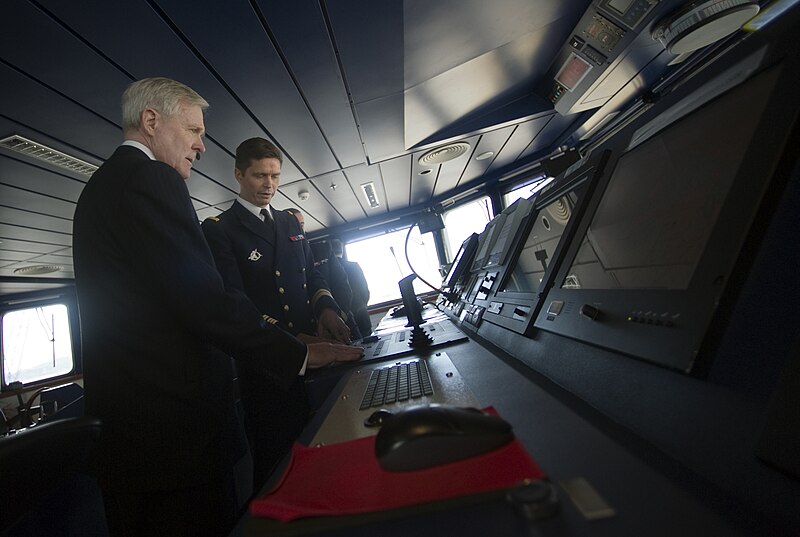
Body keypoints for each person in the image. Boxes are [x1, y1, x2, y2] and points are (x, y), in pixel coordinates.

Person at [72, 77, 362, 537]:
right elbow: (204, 300)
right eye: (193, 131)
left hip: (139, 439)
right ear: (151, 121)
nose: (201, 146)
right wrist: (299, 353)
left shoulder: (102, 187)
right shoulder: (150, 179)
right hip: (175, 441)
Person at [201, 138, 354, 489]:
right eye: (259, 176)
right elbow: (235, 301)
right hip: (268, 367)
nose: (269, 184)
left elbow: (311, 274)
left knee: (326, 448)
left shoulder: (289, 222)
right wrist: (291, 340)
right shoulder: (220, 229)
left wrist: (327, 307)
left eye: (275, 175)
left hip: (317, 354)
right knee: (279, 467)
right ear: (239, 174)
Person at [332, 238, 373, 337]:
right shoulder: (354, 266)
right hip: (361, 314)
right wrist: (361, 305)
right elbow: (365, 291)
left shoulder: (329, 270)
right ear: (341, 250)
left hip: (343, 319)